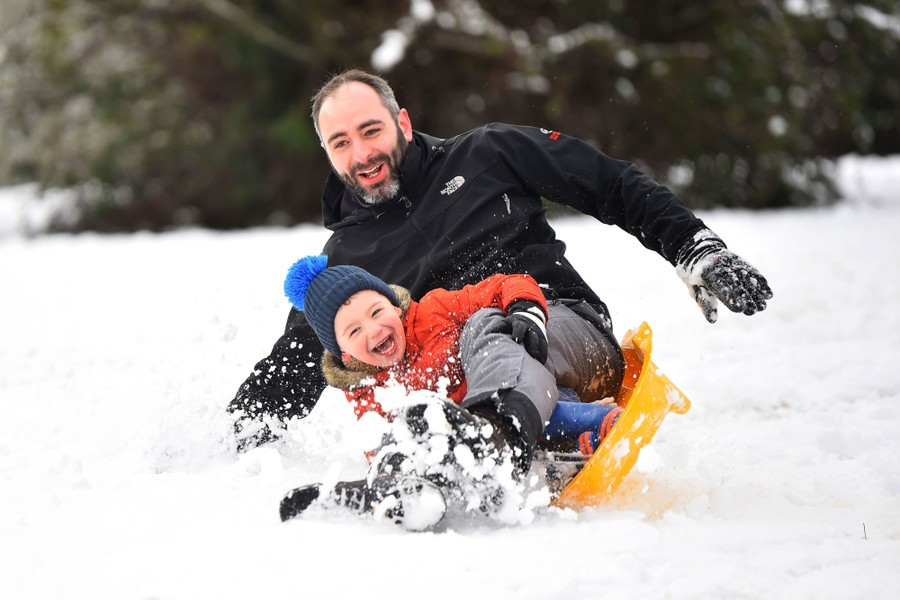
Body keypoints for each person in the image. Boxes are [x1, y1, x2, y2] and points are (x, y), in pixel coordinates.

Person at [228, 68, 773, 449]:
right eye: (340, 142)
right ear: (327, 151)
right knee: (425, 400)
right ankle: (501, 438)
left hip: (561, 330)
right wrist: (237, 436)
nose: (362, 154)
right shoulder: (348, 257)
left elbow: (608, 182)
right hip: (460, 391)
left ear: (403, 123)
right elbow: (297, 359)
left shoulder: (487, 153)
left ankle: (503, 433)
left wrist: (694, 248)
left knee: (487, 332)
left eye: (371, 130)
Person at [277, 255, 625, 527]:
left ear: (394, 306)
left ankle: (572, 422)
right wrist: (391, 466)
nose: (373, 329)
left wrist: (525, 307)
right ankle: (394, 493)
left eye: (376, 311)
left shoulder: (433, 310)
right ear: (345, 355)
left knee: (483, 322)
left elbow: (503, 285)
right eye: (353, 331)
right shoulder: (368, 392)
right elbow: (382, 439)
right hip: (497, 436)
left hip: (524, 383)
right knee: (405, 431)